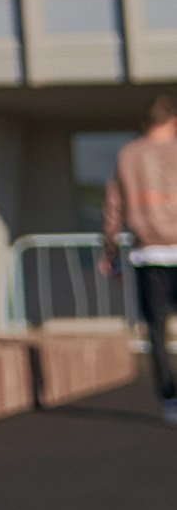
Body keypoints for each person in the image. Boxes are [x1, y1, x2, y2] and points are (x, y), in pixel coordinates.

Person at [103, 96, 177, 421]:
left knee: (156, 330)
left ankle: (170, 400)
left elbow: (113, 208)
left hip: (148, 254)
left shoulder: (128, 154)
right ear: (173, 121)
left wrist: (110, 251)